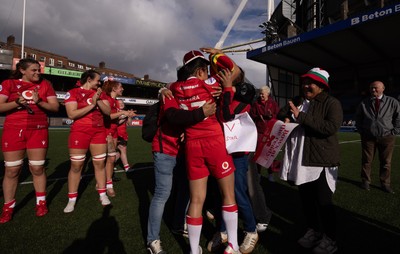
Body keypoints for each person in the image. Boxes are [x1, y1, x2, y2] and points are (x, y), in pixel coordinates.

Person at [168, 48, 241, 254]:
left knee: (197, 199)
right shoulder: (209, 84)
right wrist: (217, 55)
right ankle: (233, 245)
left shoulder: (175, 88)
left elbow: (166, 90)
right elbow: (233, 70)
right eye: (207, 69)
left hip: (192, 146)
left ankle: (193, 250)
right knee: (228, 195)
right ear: (200, 70)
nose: (209, 73)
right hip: (215, 143)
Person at [278, 67, 342, 254]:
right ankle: (313, 231)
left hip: (320, 160)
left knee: (324, 202)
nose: (306, 85)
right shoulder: (297, 101)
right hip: (300, 158)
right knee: (306, 200)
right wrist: (286, 118)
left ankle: (330, 239)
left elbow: (330, 127)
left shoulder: (332, 103)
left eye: (311, 83)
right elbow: (282, 114)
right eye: (304, 82)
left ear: (321, 86)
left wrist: (301, 117)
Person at [0, 58, 59, 223]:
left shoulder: (45, 84)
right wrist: (16, 102)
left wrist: (39, 101)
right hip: (14, 130)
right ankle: (8, 207)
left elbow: (54, 107)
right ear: (22, 70)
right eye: (33, 70)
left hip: (38, 130)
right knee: (12, 170)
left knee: (38, 168)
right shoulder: (9, 84)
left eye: (38, 70)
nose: (37, 73)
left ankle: (41, 203)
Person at [207, 68, 259, 253]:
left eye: (227, 73)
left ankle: (251, 230)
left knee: (237, 192)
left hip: (237, 154)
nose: (221, 76)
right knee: (221, 193)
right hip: (222, 151)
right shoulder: (222, 93)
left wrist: (228, 89)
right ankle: (223, 231)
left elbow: (226, 115)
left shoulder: (244, 95)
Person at [63, 70, 112, 213]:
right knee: (77, 165)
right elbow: (72, 114)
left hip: (98, 131)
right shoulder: (73, 92)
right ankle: (72, 199)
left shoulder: (100, 93)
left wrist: (98, 99)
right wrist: (92, 105)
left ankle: (102, 194)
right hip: (80, 131)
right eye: (98, 80)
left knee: (99, 163)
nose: (99, 83)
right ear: (89, 79)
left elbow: (107, 112)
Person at [355, 80, 400, 194]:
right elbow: (358, 117)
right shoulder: (364, 102)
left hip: (387, 137)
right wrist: (361, 131)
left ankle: (385, 184)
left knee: (386, 162)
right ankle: (365, 181)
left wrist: (394, 131)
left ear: (383, 88)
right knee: (367, 160)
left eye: (375, 88)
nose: (373, 90)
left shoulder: (392, 102)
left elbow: (398, 117)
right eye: (371, 88)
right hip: (368, 137)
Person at [102, 79, 136, 197]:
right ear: (114, 88)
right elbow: (107, 117)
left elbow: (116, 119)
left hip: (114, 132)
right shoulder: (106, 99)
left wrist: (126, 115)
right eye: (121, 87)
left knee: (111, 159)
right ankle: (104, 184)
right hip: (106, 132)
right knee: (105, 159)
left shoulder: (116, 102)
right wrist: (123, 113)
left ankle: (108, 184)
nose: (123, 89)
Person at [250, 85, 280, 181]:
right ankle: (258, 173)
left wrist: (271, 115)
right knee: (259, 153)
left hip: (271, 131)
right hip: (260, 131)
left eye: (263, 93)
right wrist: (258, 117)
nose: (261, 95)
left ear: (268, 94)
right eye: (260, 93)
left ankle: (270, 173)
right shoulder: (256, 104)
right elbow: (252, 115)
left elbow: (278, 114)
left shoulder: (273, 103)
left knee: (269, 154)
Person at [115, 99, 132, 172]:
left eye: (122, 103)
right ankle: (126, 167)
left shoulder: (125, 112)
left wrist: (130, 116)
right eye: (119, 103)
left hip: (123, 133)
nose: (121, 104)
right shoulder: (115, 112)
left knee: (119, 152)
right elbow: (116, 123)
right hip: (115, 134)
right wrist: (124, 116)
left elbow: (129, 124)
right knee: (121, 150)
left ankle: (111, 164)